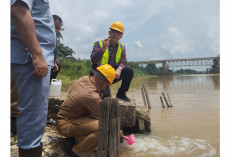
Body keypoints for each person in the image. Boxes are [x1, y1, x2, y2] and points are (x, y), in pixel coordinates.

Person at [11, 0, 56, 156]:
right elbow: (18, 11)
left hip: (24, 54)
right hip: (28, 57)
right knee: (33, 117)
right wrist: (37, 55)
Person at [56, 64, 116, 157]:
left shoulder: (83, 79)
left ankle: (77, 142)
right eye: (107, 84)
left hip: (67, 119)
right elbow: (103, 119)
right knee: (105, 127)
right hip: (66, 125)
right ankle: (76, 153)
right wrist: (117, 130)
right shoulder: (91, 96)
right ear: (105, 82)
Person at [90, 21, 134, 102]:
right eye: (113, 31)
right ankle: (99, 90)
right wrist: (103, 48)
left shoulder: (122, 46)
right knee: (105, 98)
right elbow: (93, 59)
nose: (115, 34)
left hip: (112, 75)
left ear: (121, 36)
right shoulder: (99, 43)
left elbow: (123, 61)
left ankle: (121, 94)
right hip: (98, 75)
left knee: (129, 71)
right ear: (109, 32)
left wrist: (119, 69)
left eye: (118, 33)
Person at [50, 15, 63, 82]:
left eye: (58, 29)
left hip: (49, 62)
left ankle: (48, 86)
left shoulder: (54, 36)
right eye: (55, 27)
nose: (57, 31)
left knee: (58, 64)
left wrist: (53, 62)